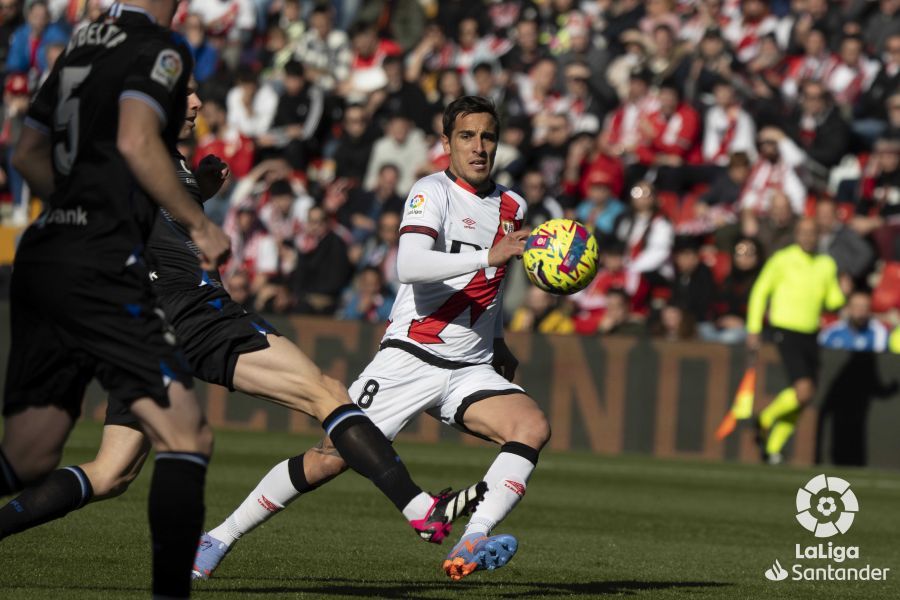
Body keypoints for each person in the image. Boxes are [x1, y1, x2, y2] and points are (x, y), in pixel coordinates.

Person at [0, 78, 485, 583]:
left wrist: (199, 189)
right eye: (183, 93)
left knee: (111, 472)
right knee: (327, 393)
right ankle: (418, 506)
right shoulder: (130, 149)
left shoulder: (167, 160)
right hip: (191, 310)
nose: (196, 102)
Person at [193, 96, 550, 582]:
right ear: (446, 143)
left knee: (531, 427)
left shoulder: (513, 205)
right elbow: (410, 264)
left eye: (488, 136)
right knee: (327, 459)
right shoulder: (431, 192)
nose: (479, 146)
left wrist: (499, 338)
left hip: (470, 366)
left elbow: (490, 286)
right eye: (467, 136)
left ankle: (473, 538)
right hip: (410, 357)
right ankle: (218, 537)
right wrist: (489, 255)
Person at [0, 2, 230, 597]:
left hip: (46, 253)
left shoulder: (81, 46)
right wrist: (197, 223)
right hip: (100, 268)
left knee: (29, 455)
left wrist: (78, 210)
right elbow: (134, 138)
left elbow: (25, 153)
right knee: (187, 436)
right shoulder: (159, 47)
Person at [746, 218, 846, 465]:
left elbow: (832, 301)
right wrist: (754, 327)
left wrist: (843, 292)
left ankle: (772, 449)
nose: (808, 237)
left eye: (813, 233)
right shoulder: (782, 259)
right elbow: (760, 291)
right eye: (804, 233)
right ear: (797, 234)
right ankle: (764, 420)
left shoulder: (826, 264)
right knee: (803, 390)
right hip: (786, 328)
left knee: (806, 396)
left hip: (811, 332)